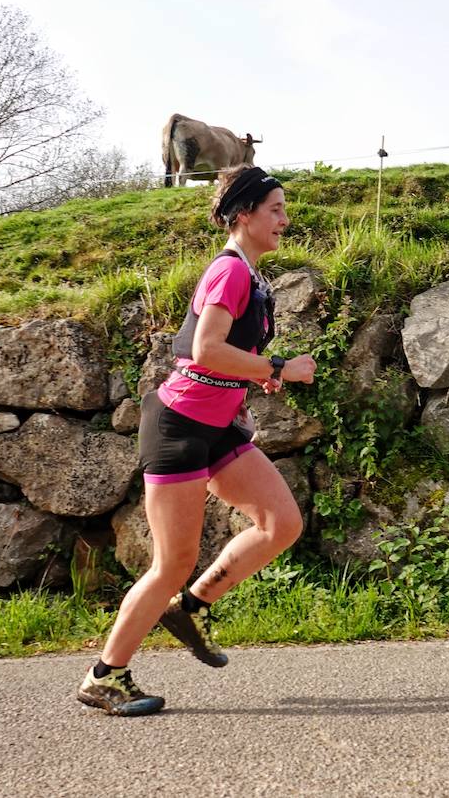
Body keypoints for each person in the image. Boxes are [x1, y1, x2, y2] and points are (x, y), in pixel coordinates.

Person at [77, 164, 315, 716]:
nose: (285, 219)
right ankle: (103, 676)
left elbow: (221, 359)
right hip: (179, 426)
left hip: (217, 425)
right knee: (171, 562)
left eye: (284, 209)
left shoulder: (254, 277)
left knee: (282, 524)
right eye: (275, 209)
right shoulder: (230, 272)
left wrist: (262, 373)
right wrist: (278, 363)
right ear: (244, 215)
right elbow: (204, 351)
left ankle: (192, 608)